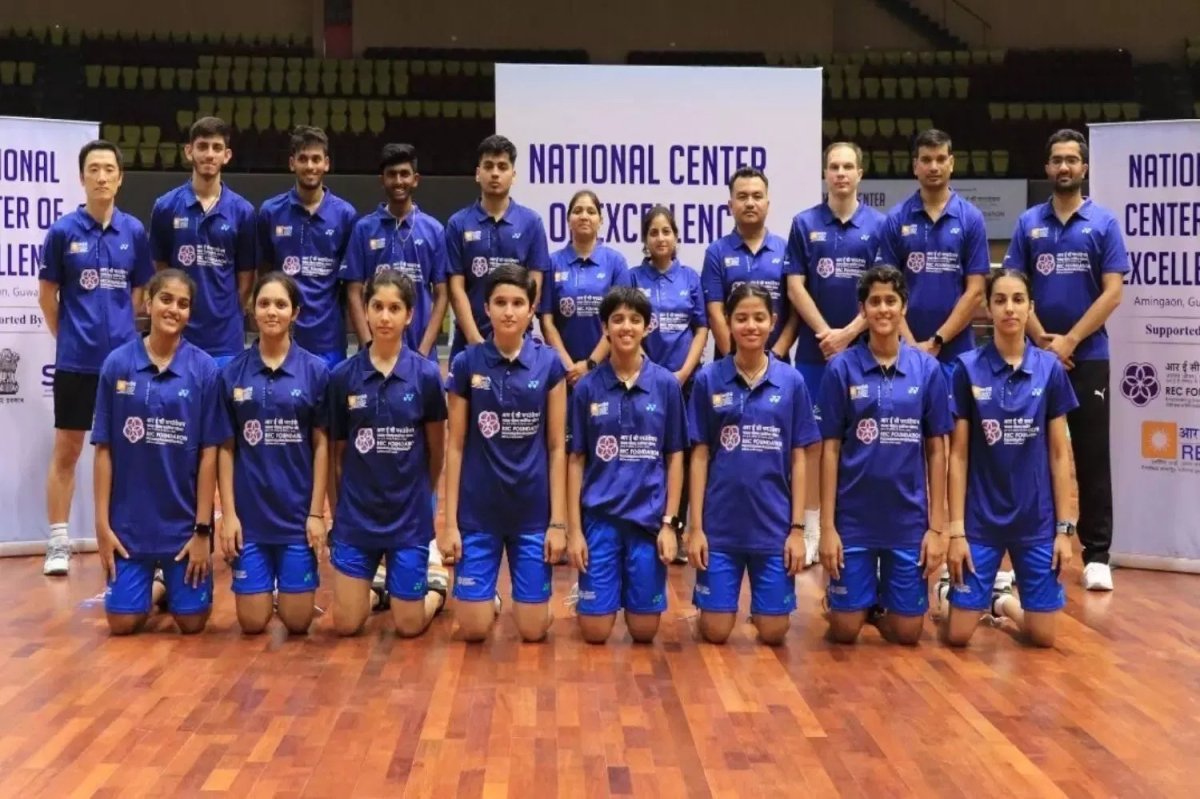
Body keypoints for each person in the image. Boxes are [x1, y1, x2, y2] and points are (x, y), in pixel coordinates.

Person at [1002, 128, 1127, 592]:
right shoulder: (1028, 223)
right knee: (1026, 453)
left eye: (1072, 160)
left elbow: (1113, 292)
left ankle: (1097, 555)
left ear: (1084, 168)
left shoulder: (1103, 223)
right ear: (1048, 167)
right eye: (1056, 160)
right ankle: (1025, 547)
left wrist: (1070, 342)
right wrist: (1043, 341)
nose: (1064, 167)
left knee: (1091, 455)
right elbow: (1015, 286)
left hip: (1088, 356)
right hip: (1036, 357)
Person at [940, 269, 1078, 648]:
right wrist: (956, 532)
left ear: (1030, 307)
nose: (1009, 308)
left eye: (1018, 300)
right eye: (1000, 300)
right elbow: (960, 455)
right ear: (987, 307)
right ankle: (947, 593)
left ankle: (1001, 603)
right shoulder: (966, 368)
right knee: (957, 636)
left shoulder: (1049, 369)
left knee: (1043, 638)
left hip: (1035, 520)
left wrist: (1064, 530)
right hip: (982, 521)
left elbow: (1058, 452)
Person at [817, 266, 952, 645]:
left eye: (891, 300)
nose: (883, 309)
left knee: (908, 634)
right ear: (863, 310)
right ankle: (852, 603)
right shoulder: (841, 369)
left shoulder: (928, 370)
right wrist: (827, 528)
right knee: (844, 632)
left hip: (907, 519)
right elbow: (829, 450)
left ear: (904, 307)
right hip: (854, 518)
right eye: (874, 302)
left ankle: (875, 603)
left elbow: (938, 450)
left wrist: (936, 528)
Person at [91, 269, 231, 635]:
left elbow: (209, 454)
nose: (174, 309)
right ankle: (153, 588)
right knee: (122, 624)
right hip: (129, 526)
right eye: (166, 299)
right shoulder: (117, 365)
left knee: (192, 623)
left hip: (182, 528)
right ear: (148, 302)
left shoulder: (204, 370)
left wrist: (202, 532)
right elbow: (103, 449)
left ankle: (169, 585)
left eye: (183, 304)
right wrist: (102, 526)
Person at [37, 139, 154, 576]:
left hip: (123, 365)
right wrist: (68, 337)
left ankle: (126, 534)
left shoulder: (135, 232)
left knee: (126, 450)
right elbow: (48, 296)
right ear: (82, 177)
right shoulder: (63, 232)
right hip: (75, 363)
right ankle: (58, 540)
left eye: (109, 169)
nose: (102, 176)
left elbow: (140, 292)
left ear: (120, 178)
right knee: (67, 449)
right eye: (94, 169)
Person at [440, 265, 567, 643]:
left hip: (531, 513)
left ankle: (527, 599)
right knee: (473, 630)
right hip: (479, 514)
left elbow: (558, 446)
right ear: (487, 308)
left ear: (531, 310)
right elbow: (455, 443)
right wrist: (449, 524)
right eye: (500, 303)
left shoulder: (550, 364)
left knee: (532, 631)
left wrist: (558, 523)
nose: (508, 311)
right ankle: (486, 598)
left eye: (518, 303)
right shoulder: (466, 363)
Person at [687, 284, 819, 646]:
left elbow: (799, 456)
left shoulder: (791, 382)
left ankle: (760, 608)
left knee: (774, 633)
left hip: (773, 528)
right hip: (721, 528)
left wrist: (797, 530)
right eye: (741, 318)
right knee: (715, 633)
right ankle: (711, 609)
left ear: (773, 322)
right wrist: (696, 527)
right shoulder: (707, 379)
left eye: (759, 317)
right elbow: (698, 456)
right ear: (728, 323)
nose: (751, 326)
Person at [325, 271, 448, 636]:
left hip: (407, 520)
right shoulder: (343, 376)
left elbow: (436, 450)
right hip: (357, 519)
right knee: (346, 625)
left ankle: (436, 590)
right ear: (364, 310)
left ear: (409, 315)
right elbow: (336, 453)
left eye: (395, 308)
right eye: (377, 307)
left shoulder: (425, 375)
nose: (384, 316)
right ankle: (379, 589)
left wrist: (422, 498)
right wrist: (337, 517)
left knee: (409, 627)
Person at [566, 286, 687, 644]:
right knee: (595, 633)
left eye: (635, 320)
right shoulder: (587, 388)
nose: (626, 327)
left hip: (647, 523)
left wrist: (670, 524)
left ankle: (622, 592)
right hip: (599, 520)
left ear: (647, 327)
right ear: (604, 327)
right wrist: (574, 530)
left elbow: (676, 456)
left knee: (645, 631)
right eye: (617, 319)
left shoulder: (666, 384)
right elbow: (575, 460)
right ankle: (592, 597)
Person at [786, 142, 887, 566]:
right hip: (814, 354)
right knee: (812, 445)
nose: (841, 173)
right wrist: (826, 333)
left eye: (848, 166)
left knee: (861, 442)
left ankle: (852, 527)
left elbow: (884, 290)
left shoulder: (879, 226)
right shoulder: (804, 223)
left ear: (860, 173)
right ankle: (810, 529)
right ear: (825, 173)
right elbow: (795, 285)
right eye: (834, 166)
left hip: (863, 355)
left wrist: (847, 334)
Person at [217, 272, 329, 635]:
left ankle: (291, 592)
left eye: (281, 304)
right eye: (264, 303)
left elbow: (322, 445)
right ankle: (268, 591)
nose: (271, 311)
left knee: (298, 623)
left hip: (296, 518)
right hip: (251, 522)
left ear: (295, 312)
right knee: (252, 623)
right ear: (252, 310)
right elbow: (225, 448)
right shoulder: (232, 373)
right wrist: (229, 515)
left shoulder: (315, 371)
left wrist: (316, 513)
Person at [627, 205, 708, 562]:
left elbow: (701, 327)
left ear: (676, 237)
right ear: (645, 240)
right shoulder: (632, 278)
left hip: (683, 381)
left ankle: (676, 527)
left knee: (682, 453)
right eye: (653, 232)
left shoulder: (690, 278)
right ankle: (643, 526)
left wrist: (684, 372)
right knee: (646, 451)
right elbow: (627, 327)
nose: (661, 238)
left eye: (666, 231)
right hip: (643, 380)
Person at [877, 129, 990, 377]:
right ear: (915, 166)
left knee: (955, 417)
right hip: (903, 351)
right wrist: (911, 345)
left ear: (951, 163)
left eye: (940, 159)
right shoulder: (896, 219)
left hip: (957, 352)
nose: (934, 166)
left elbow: (976, 291)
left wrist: (937, 340)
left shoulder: (971, 218)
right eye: (926, 160)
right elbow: (887, 291)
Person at [149, 116, 257, 367]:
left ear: (227, 155)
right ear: (189, 151)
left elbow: (246, 278)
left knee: (221, 406)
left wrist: (226, 313)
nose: (209, 154)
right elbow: (160, 268)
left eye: (217, 148)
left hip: (225, 340)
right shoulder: (165, 207)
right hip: (178, 335)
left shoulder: (243, 211)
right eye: (203, 146)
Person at [257, 125, 358, 370]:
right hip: (283, 338)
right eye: (303, 159)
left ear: (327, 163)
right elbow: (265, 274)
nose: (310, 166)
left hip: (329, 341)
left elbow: (350, 284)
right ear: (292, 163)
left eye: (316, 159)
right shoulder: (270, 212)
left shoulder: (346, 215)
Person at [445, 135, 552, 359]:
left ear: (513, 176)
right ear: (477, 173)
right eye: (488, 166)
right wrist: (476, 341)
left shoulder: (532, 222)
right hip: (470, 344)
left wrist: (516, 337)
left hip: (520, 344)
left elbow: (536, 285)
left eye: (502, 167)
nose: (495, 173)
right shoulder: (458, 223)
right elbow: (456, 289)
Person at [342, 143, 449, 363]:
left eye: (404, 174)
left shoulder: (434, 230)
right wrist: (367, 344)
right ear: (382, 180)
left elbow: (442, 294)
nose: (398, 181)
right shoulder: (364, 229)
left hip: (421, 353)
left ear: (415, 179)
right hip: (374, 354)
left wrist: (424, 350)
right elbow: (353, 292)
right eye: (392, 175)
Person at [701, 166, 797, 363]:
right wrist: (736, 361)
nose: (750, 203)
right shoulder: (716, 252)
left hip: (777, 366)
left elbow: (795, 313)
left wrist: (775, 358)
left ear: (767, 204)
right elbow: (715, 313)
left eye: (757, 196)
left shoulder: (786, 250)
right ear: (730, 205)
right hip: (729, 366)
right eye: (742, 196)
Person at [539, 190, 630, 387]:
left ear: (600, 220)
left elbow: (620, 319)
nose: (584, 216)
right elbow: (547, 321)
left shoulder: (615, 262)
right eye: (577, 211)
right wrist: (568, 366)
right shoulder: (552, 263)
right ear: (568, 219)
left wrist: (590, 364)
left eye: (591, 211)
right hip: (564, 375)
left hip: (607, 371)